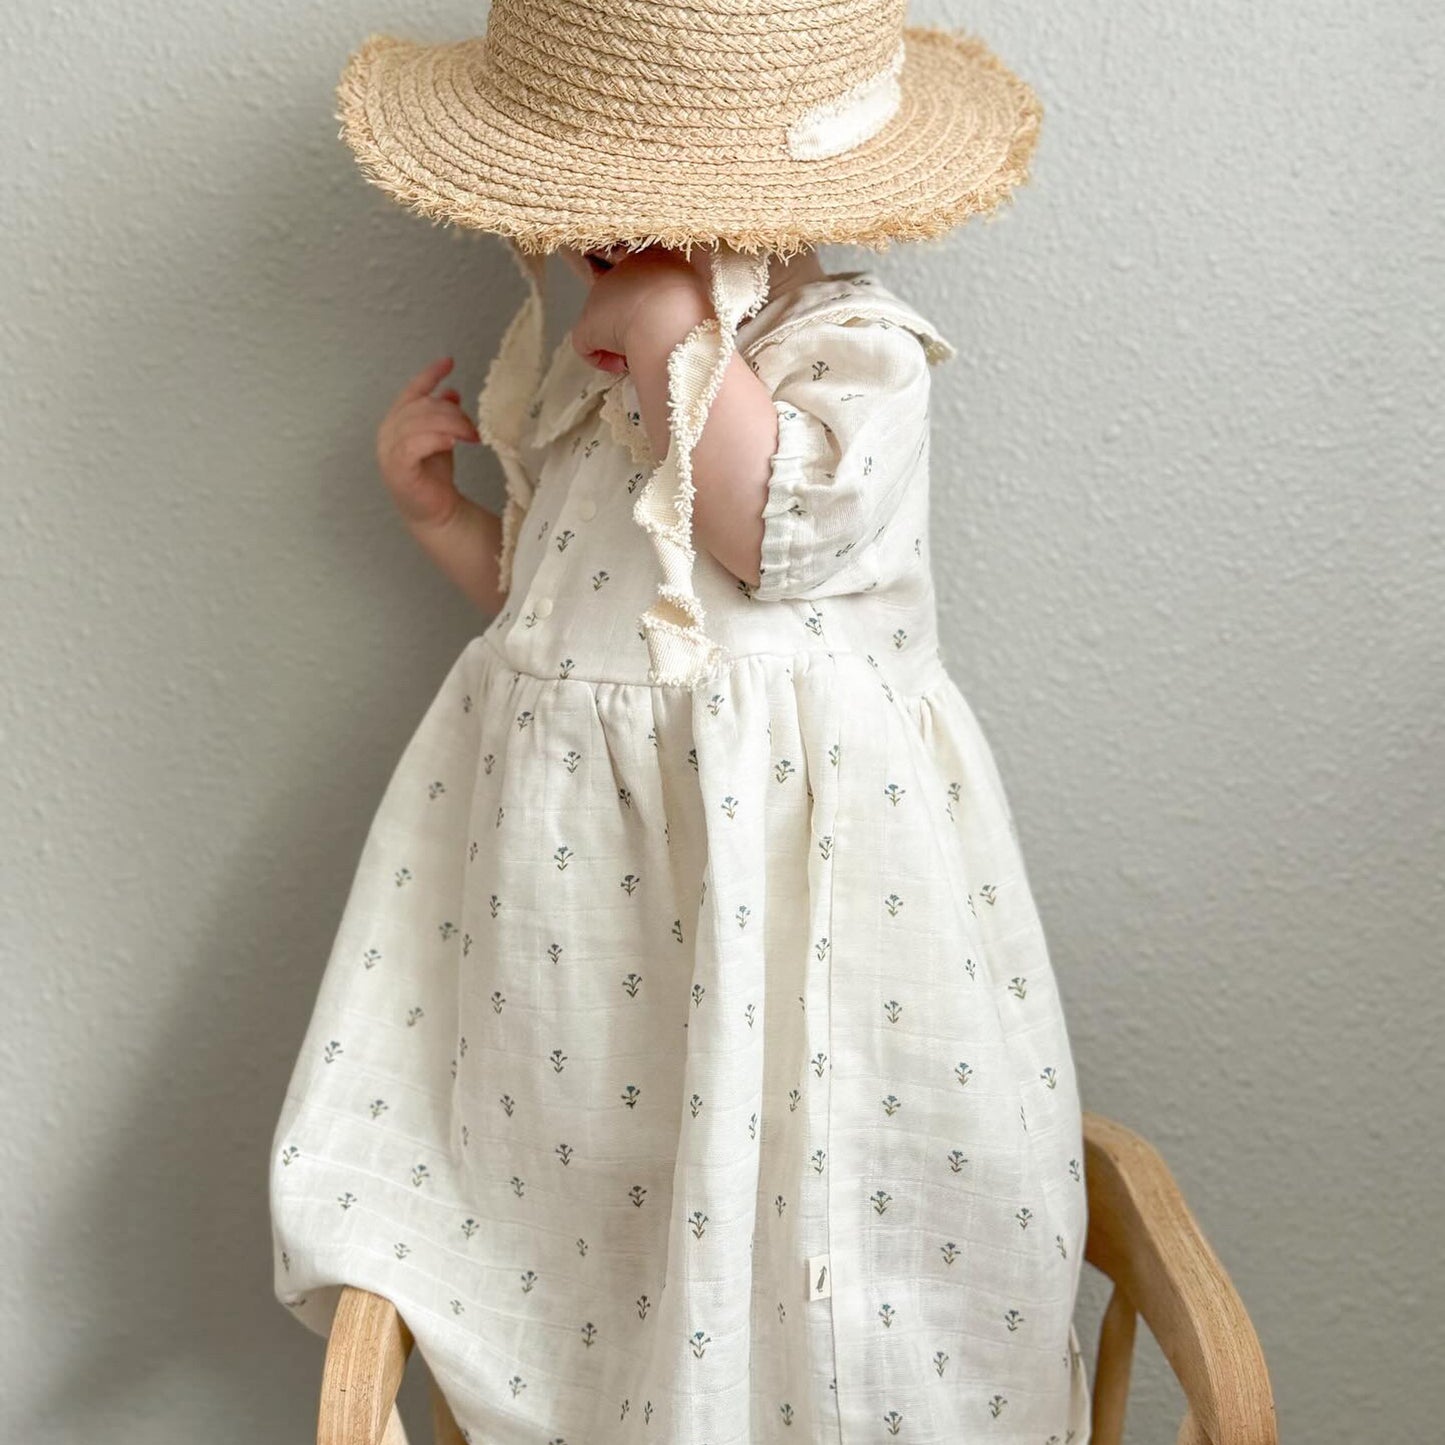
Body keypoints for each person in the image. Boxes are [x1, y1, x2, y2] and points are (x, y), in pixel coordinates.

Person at [269, 4, 1092, 1443]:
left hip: (779, 881)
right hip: (575, 888)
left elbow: (762, 538)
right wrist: (444, 518)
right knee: (595, 1180)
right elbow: (560, 607)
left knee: (802, 1193)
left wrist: (665, 328)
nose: (573, 242)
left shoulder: (850, 351)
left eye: (599, 216)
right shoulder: (590, 363)